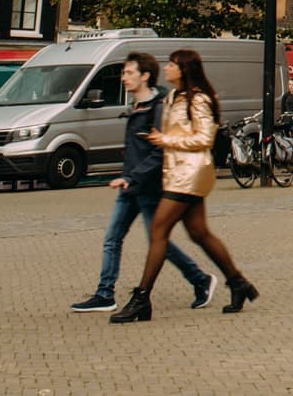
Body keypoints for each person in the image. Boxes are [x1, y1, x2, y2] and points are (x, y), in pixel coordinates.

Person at [109, 50, 256, 321]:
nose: (165, 68)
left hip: (190, 173)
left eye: (171, 65)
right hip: (176, 173)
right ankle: (238, 283)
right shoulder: (171, 97)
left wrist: (166, 141)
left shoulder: (198, 99)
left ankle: (142, 298)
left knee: (158, 230)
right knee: (200, 233)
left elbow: (204, 139)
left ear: (184, 70)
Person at [71, 53, 213, 313]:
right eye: (124, 73)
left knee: (160, 242)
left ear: (144, 76)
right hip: (130, 185)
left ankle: (200, 279)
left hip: (148, 186)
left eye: (128, 73)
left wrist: (132, 175)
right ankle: (105, 294)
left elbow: (160, 150)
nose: (124, 78)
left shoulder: (158, 108)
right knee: (113, 238)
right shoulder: (136, 107)